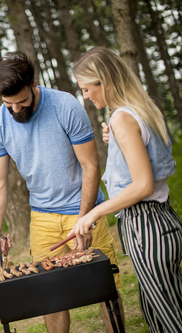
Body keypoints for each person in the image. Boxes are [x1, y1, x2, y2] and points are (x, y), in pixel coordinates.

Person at [0, 51, 123, 333]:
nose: (15, 110)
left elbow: (90, 165)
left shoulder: (65, 105)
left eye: (21, 101)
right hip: (43, 218)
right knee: (50, 296)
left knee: (106, 289)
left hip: (85, 210)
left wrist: (85, 219)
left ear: (34, 84)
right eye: (8, 104)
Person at [70, 47, 182, 332]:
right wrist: (116, 143)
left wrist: (94, 212)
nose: (86, 96)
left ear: (104, 81)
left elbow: (143, 184)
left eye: (86, 88)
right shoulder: (140, 109)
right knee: (157, 311)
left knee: (170, 320)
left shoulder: (122, 118)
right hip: (162, 222)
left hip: (147, 226)